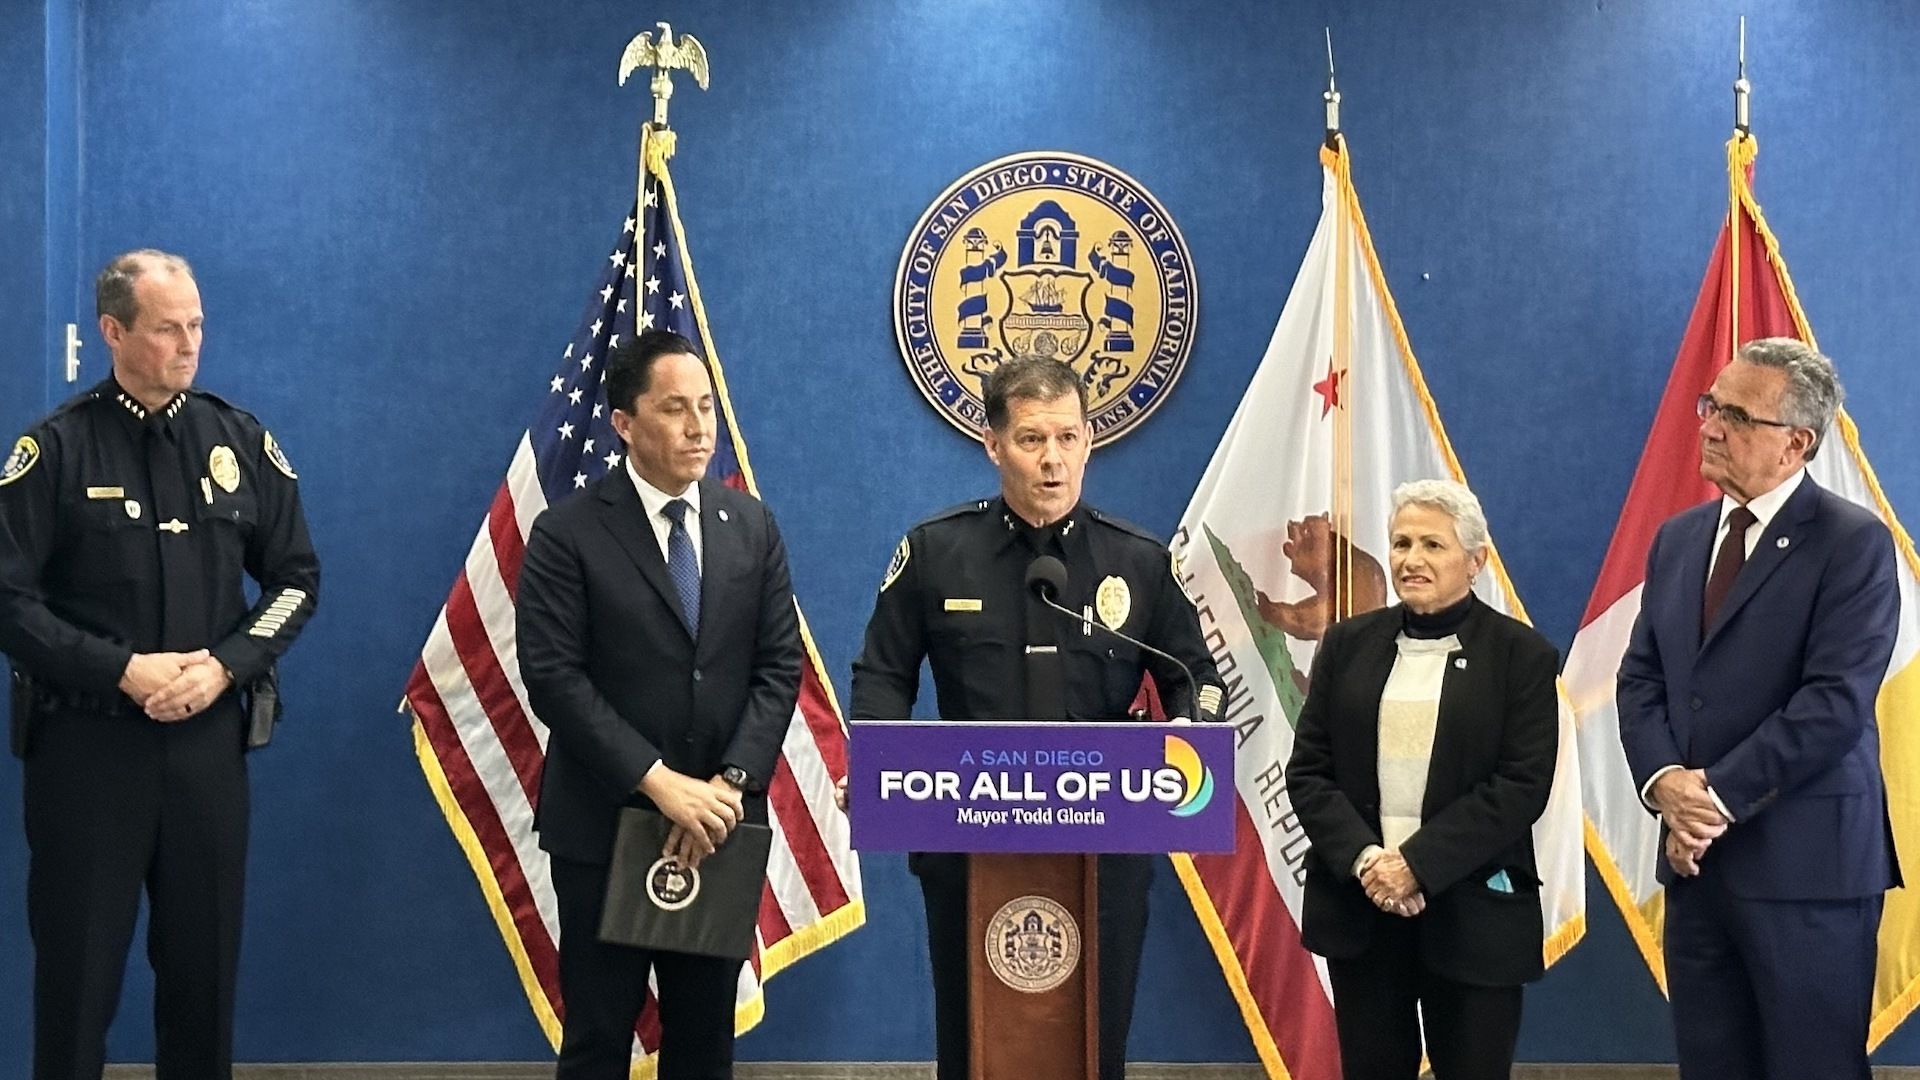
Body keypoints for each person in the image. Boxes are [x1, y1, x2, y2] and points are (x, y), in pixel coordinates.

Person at [847, 356, 1223, 1080]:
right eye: (1030, 439)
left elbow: (1193, 677)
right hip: (968, 841)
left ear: (1089, 440)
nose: (1053, 460)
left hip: (1104, 848)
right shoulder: (936, 552)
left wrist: (1190, 735)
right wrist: (875, 762)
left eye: (1068, 437)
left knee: (1092, 1040)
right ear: (993, 445)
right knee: (976, 1041)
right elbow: (883, 676)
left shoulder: (1139, 561)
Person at [0, 249, 320, 1080]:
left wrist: (226, 666)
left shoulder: (238, 439)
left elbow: (296, 580)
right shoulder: (57, 450)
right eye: (167, 328)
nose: (189, 344)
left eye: (198, 325)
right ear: (113, 332)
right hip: (87, 756)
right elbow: (8, 601)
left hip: (205, 756)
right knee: (76, 987)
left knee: (203, 983)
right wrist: (119, 670)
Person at [516, 329, 802, 1080]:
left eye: (705, 406)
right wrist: (658, 783)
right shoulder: (566, 532)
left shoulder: (752, 526)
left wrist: (730, 786)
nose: (699, 426)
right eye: (675, 408)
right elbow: (553, 677)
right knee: (599, 1041)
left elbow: (779, 667)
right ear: (624, 423)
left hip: (717, 829)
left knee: (704, 1044)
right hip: (604, 826)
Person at [1617, 338, 1900, 1080]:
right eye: (1710, 405)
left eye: (1736, 415)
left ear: (1796, 443)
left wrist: (1707, 799)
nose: (1708, 426)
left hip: (1807, 872)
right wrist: (1663, 785)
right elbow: (1640, 678)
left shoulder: (1853, 543)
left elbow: (1834, 704)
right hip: (1696, 868)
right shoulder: (1678, 540)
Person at [1285, 479, 1558, 1080]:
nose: (1411, 560)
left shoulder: (1523, 656)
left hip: (1474, 912)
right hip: (1362, 910)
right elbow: (1308, 772)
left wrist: (1416, 864)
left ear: (1476, 561)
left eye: (1433, 545)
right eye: (1401, 543)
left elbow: (1521, 786)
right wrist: (1367, 862)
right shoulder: (1347, 644)